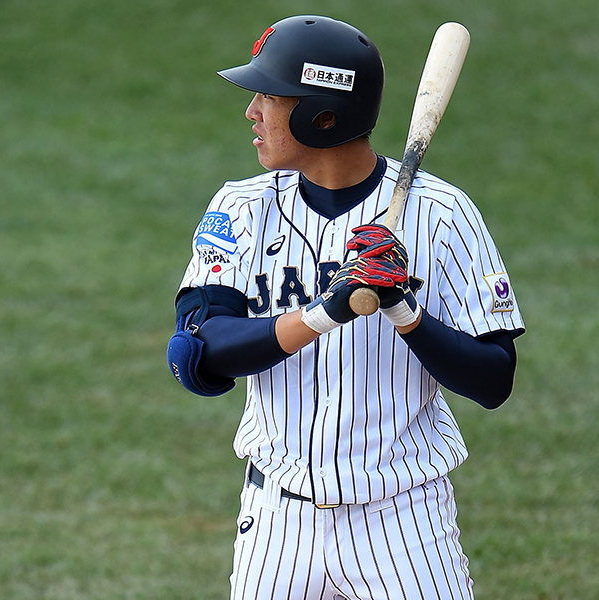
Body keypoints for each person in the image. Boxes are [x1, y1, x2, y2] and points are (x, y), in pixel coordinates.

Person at [166, 15, 524, 600]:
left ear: (321, 115)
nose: (251, 113)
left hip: (404, 522)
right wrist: (323, 313)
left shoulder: (442, 214)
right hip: (277, 528)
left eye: (268, 97)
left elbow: (493, 380)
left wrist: (403, 308)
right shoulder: (241, 208)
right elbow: (198, 354)